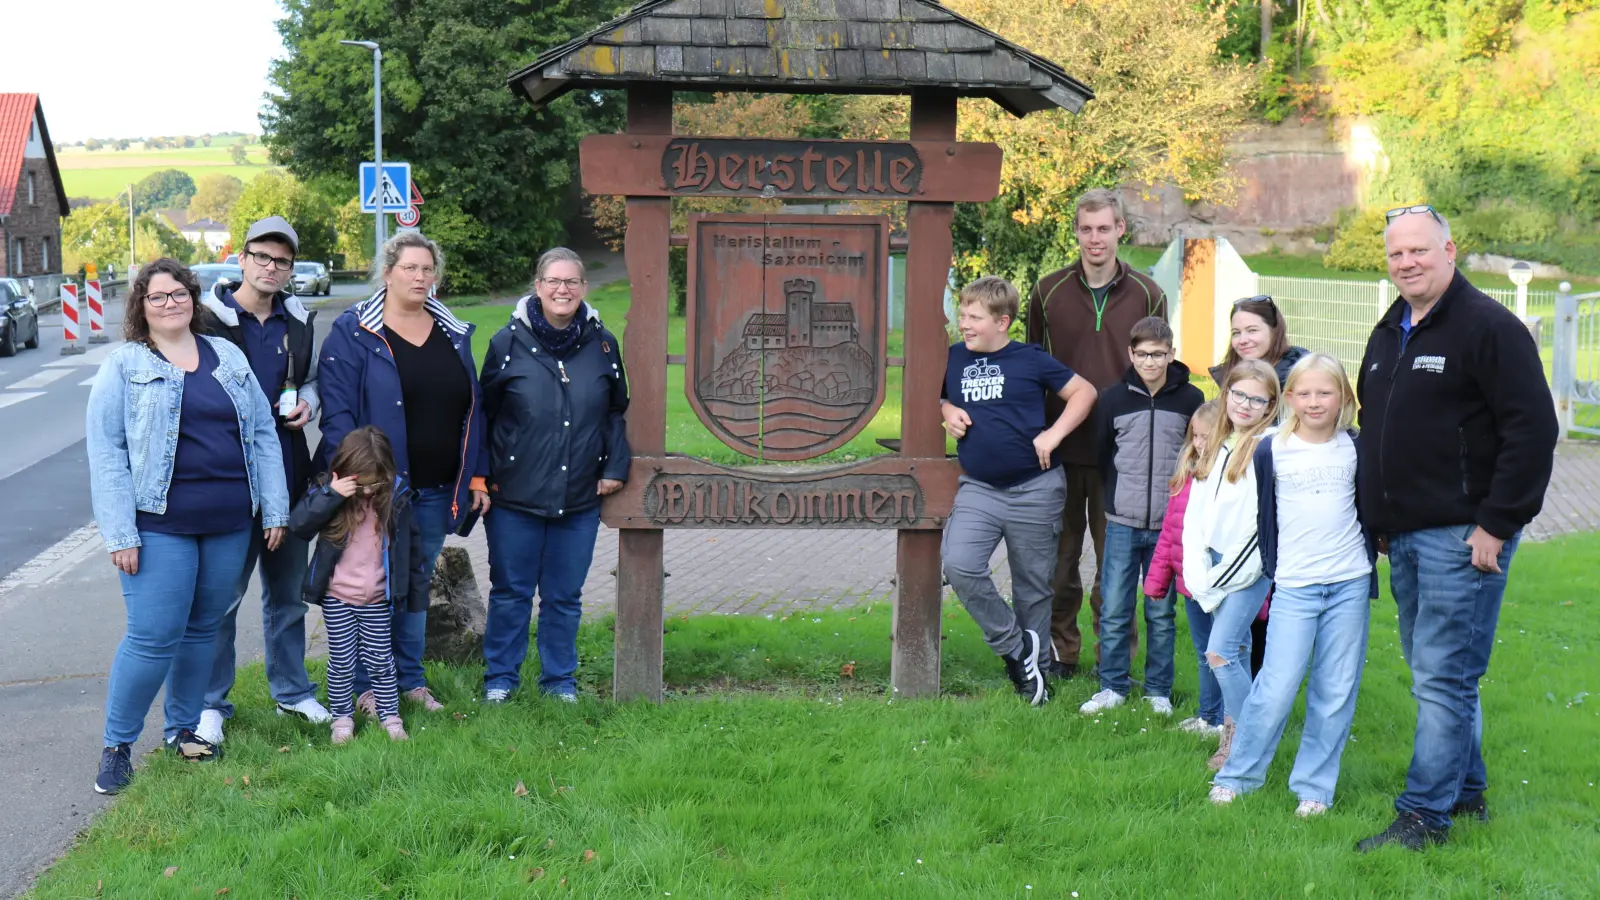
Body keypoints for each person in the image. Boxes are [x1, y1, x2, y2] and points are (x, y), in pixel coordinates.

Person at [1354, 206, 1557, 852]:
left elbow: (1533, 429)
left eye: (1418, 250)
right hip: (1406, 535)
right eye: (1395, 255)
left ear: (1450, 249)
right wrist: (1380, 520)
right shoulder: (1390, 330)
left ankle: (1423, 816)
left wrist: (1496, 522)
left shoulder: (1489, 328)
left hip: (1464, 535)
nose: (1406, 263)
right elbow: (1377, 424)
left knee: (1443, 675)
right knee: (1437, 670)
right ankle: (1466, 793)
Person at [86, 259, 290, 795]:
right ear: (141, 306)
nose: (170, 303)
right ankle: (117, 746)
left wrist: (275, 508)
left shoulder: (226, 355)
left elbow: (263, 433)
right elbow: (106, 453)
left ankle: (182, 730)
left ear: (192, 298)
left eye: (178, 294)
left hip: (227, 522)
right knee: (153, 637)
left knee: (204, 629)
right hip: (159, 526)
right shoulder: (125, 365)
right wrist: (120, 532)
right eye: (158, 297)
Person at [316, 231, 489, 715]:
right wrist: (355, 481)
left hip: (435, 489)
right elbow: (337, 417)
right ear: (387, 271)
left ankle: (409, 681)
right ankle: (368, 688)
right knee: (372, 587)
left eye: (427, 269)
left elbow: (474, 409)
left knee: (414, 586)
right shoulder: (354, 332)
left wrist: (475, 475)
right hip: (377, 491)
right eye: (410, 267)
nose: (420, 276)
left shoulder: (453, 332)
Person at [1209, 353, 1376, 817]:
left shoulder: (1355, 446)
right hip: (1295, 587)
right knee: (1276, 685)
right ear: (1289, 398)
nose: (1315, 401)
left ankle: (1314, 788)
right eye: (1304, 393)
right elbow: (1260, 517)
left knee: (1336, 688)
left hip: (1348, 583)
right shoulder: (1271, 450)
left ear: (1343, 396)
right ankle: (1238, 775)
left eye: (1325, 392)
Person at [194, 215, 330, 744]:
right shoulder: (207, 319)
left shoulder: (297, 319)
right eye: (263, 258)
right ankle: (210, 705)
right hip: (227, 476)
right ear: (242, 259)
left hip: (291, 472)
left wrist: (310, 405)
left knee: (288, 594)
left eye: (283, 261)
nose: (272, 268)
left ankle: (292, 694)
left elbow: (312, 378)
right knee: (222, 598)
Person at [1025, 188, 1167, 678]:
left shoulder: (1150, 293)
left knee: (1117, 567)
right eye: (1086, 229)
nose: (1094, 239)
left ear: (1120, 230)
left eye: (1104, 228)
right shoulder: (1047, 291)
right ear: (1077, 232)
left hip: (1124, 455)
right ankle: (1062, 653)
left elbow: (1157, 369)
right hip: (1059, 449)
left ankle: (1114, 659)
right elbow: (1031, 368)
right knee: (1060, 562)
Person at [479, 248, 630, 703]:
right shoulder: (507, 344)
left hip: (579, 496)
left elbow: (616, 411)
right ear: (538, 287)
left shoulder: (602, 344)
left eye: (571, 282)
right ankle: (500, 680)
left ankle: (559, 681)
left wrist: (615, 466)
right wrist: (483, 477)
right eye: (553, 281)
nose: (562, 290)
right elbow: (484, 417)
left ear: (584, 289)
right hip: (515, 497)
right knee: (510, 594)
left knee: (564, 597)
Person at [940, 276, 1097, 706]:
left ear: (1002, 321)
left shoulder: (1031, 359)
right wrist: (948, 408)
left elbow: (1084, 392)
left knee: (1033, 587)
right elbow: (934, 397)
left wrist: (1053, 435)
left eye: (974, 317)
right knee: (959, 564)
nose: (964, 324)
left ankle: (1036, 680)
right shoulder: (953, 359)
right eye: (963, 314)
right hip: (980, 489)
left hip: (1036, 488)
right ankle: (1016, 648)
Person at [1079, 317, 1203, 717]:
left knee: (1161, 613)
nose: (1151, 362)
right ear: (1131, 354)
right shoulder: (1112, 399)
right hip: (1121, 522)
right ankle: (1112, 685)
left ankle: (1158, 691)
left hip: (1169, 528)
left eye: (1159, 354)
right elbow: (1102, 454)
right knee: (1114, 607)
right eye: (1143, 354)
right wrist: (1118, 497)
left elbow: (1197, 453)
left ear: (1171, 354)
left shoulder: (1191, 400)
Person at [290, 427, 425, 744]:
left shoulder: (397, 500)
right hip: (339, 599)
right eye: (360, 485)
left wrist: (416, 595)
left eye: (374, 484)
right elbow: (298, 524)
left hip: (377, 600)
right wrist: (334, 494)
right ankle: (341, 719)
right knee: (341, 663)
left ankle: (390, 716)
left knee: (382, 661)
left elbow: (413, 552)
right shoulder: (331, 496)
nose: (367, 492)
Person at [1181, 359, 1280, 772]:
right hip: (1212, 563)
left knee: (1219, 651)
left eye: (1256, 399)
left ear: (1270, 404)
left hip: (1248, 570)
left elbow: (1259, 527)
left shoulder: (1268, 448)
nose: (1244, 403)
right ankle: (1232, 740)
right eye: (1238, 394)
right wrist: (1198, 568)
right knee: (1235, 649)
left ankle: (1247, 742)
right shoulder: (1218, 443)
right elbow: (1196, 514)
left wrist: (1219, 578)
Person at [1207, 295, 1309, 678]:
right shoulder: (1232, 376)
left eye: (1252, 330)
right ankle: (1237, 701)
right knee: (1239, 610)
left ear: (1274, 330)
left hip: (1276, 505)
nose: (1243, 338)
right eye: (1236, 332)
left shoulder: (1295, 377)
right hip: (1236, 504)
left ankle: (1262, 693)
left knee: (1267, 605)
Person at [1145, 400, 1224, 738]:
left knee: (1224, 651)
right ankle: (1208, 716)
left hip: (1218, 581)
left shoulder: (1229, 480)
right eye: (1195, 436)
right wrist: (1157, 579)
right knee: (1204, 649)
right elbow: (1169, 532)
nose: (1199, 444)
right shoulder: (1185, 475)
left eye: (1207, 436)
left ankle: (1225, 720)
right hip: (1190, 580)